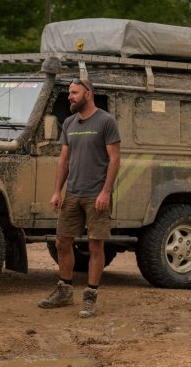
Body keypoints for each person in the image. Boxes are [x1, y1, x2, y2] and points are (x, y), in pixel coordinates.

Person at [39, 76, 121, 318]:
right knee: (62, 241)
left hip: (96, 194)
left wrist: (106, 191)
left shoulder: (106, 121)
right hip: (73, 193)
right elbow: (64, 160)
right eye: (70, 93)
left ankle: (90, 296)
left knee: (96, 244)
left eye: (74, 93)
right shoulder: (70, 123)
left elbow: (115, 159)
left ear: (88, 94)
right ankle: (64, 290)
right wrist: (57, 191)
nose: (70, 96)